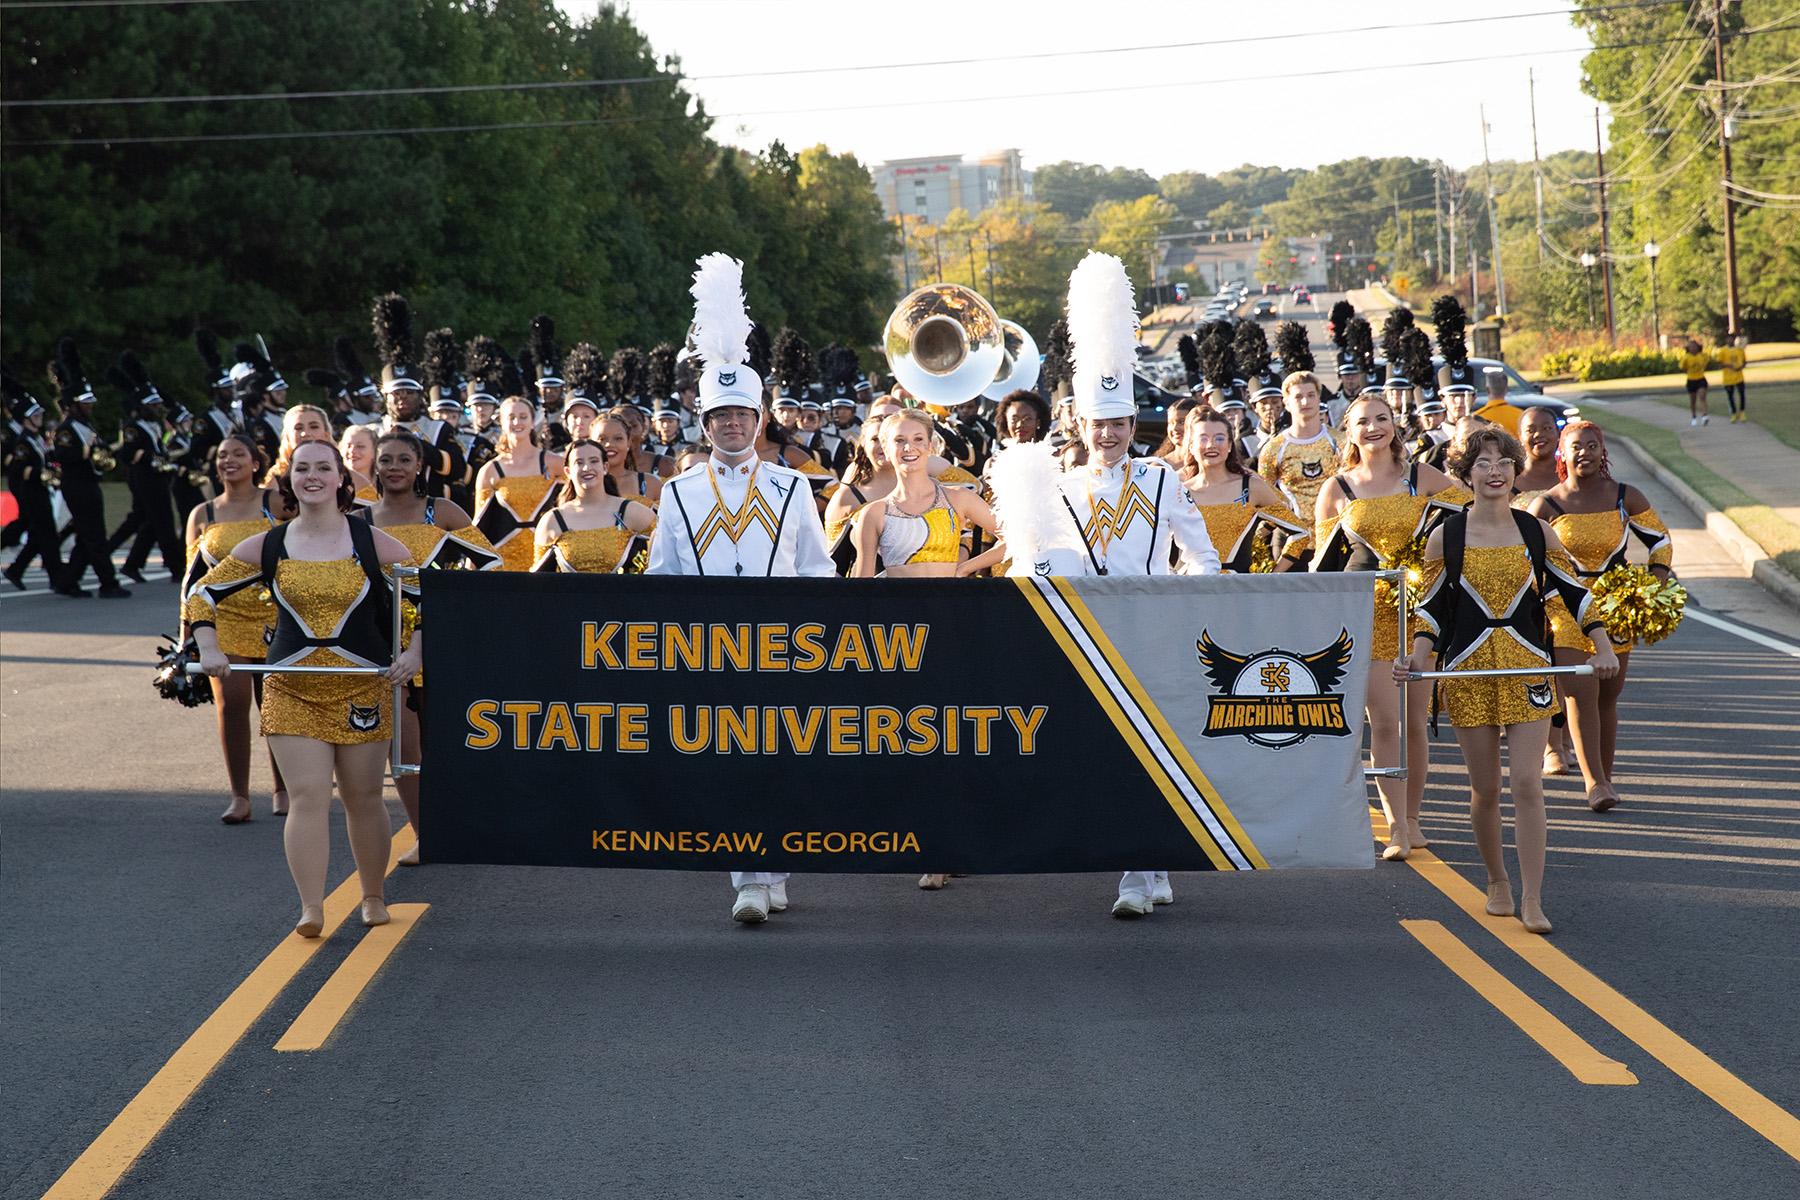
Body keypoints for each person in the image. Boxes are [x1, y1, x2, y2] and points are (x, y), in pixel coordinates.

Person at [647, 253, 835, 925]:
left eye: (741, 415)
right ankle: (747, 876)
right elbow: (662, 576)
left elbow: (818, 569)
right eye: (720, 415)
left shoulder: (792, 487)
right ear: (704, 423)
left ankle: (772, 866)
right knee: (727, 761)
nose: (731, 425)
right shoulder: (678, 492)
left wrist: (809, 631)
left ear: (759, 420)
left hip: (781, 644)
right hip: (706, 646)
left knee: (778, 761)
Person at [189, 440, 421, 937]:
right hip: (291, 687)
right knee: (308, 795)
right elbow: (202, 594)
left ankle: (373, 894)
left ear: (342, 479)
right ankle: (311, 907)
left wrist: (414, 653)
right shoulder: (267, 545)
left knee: (362, 796)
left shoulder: (373, 542)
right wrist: (209, 647)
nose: (312, 476)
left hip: (361, 686)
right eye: (302, 469)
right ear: (288, 478)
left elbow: (428, 599)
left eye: (323, 468)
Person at [1057, 252, 1220, 917]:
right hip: (1086, 632)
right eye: (1100, 424)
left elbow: (1203, 555)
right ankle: (1142, 867)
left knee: (1153, 747)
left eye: (1120, 424)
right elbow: (1041, 559)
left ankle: (1142, 869)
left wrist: (1183, 601)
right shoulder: (1061, 486)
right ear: (1082, 426)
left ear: (1134, 425)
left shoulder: (1159, 480)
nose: (1110, 433)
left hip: (1151, 629)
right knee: (1107, 754)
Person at [1405, 425, 1618, 935]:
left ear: (1515, 469)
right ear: (1467, 474)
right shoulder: (1445, 537)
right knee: (1485, 790)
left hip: (1528, 668)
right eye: (1483, 463)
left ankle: (1533, 898)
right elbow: (1431, 611)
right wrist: (1417, 658)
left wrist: (1602, 644)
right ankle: (1497, 880)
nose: (1495, 472)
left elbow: (1574, 592)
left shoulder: (1535, 531)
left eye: (1503, 462)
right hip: (1469, 671)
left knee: (1527, 783)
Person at [1312, 392, 1470, 861]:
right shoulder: (1336, 489)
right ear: (1349, 430)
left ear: (1395, 424)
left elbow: (1472, 513)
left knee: (1416, 724)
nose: (1374, 428)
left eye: (1382, 418)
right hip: (1368, 618)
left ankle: (1414, 819)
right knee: (1384, 723)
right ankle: (1396, 825)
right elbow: (1326, 567)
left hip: (1420, 615)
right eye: (1363, 421)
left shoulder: (1421, 476)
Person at [362, 428, 500, 863]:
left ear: (420, 465)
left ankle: (464, 824)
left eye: (404, 459)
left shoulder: (440, 512)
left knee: (451, 741)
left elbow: (491, 562)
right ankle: (427, 835)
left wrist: (447, 594)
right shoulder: (359, 521)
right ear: (375, 467)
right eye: (387, 460)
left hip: (442, 640)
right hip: (386, 647)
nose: (395, 468)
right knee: (403, 749)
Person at [1526, 421, 1673, 812]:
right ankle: (1594, 783)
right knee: (1579, 691)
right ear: (1563, 452)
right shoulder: (1546, 505)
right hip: (1565, 609)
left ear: (1602, 451)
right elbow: (1528, 561)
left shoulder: (1626, 496)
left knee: (1608, 695)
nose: (1584, 453)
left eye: (1592, 446)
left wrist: (1652, 585)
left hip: (1615, 606)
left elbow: (1660, 541)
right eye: (1576, 446)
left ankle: (1605, 778)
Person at [180, 433, 285, 822]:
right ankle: (240, 796)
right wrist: (187, 633)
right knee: (233, 705)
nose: (229, 461)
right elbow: (191, 580)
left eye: (238, 454)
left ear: (256, 463)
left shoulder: (276, 503)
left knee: (277, 706)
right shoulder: (203, 512)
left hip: (277, 617)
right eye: (222, 455)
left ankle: (283, 788)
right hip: (223, 620)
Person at [49, 338, 129, 599]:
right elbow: (61, 454)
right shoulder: (66, 429)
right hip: (77, 485)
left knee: (87, 536)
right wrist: (87, 451)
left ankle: (67, 580)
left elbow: (98, 451)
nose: (91, 405)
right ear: (73, 404)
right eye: (85, 402)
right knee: (94, 536)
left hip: (90, 482)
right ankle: (108, 582)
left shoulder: (87, 426)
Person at [1180, 408, 1305, 573]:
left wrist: (1273, 577)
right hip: (1189, 589)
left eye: (1219, 438)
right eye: (1203, 438)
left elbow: (1301, 534)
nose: (1211, 445)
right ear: (1191, 446)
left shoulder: (1251, 487)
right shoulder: (1179, 492)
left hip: (1238, 590)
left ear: (1230, 445)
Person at [107, 354, 183, 583]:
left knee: (147, 521)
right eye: (153, 405)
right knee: (163, 522)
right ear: (142, 406)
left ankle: (131, 564)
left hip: (157, 477)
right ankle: (176, 567)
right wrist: (149, 457)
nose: (158, 408)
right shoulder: (133, 427)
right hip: (145, 478)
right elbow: (128, 454)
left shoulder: (153, 425)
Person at [533, 438, 657, 573]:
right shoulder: (552, 520)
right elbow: (538, 581)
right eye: (579, 463)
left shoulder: (630, 511)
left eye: (594, 461)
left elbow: (666, 545)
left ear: (605, 467)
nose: (587, 468)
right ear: (568, 472)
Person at [1257, 370, 1340, 568]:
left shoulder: (1340, 441)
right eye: (1298, 397)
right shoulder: (1273, 449)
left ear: (1319, 398)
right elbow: (1264, 498)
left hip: (1334, 539)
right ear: (1286, 402)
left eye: (1311, 395)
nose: (1305, 402)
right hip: (1289, 543)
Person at [473, 396, 565, 572]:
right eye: (511, 417)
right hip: (504, 562)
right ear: (501, 422)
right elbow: (480, 526)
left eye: (523, 417)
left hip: (544, 557)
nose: (517, 422)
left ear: (532, 422)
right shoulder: (489, 471)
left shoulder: (553, 462)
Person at [2, 374, 65, 592]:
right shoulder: (22, 441)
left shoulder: (36, 438)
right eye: (35, 414)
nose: (39, 417)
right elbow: (18, 468)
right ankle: (57, 578)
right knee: (45, 533)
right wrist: (41, 474)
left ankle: (17, 569)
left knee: (41, 533)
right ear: (26, 419)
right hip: (31, 491)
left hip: (40, 490)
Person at [598, 409, 664, 505]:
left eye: (618, 438)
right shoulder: (577, 485)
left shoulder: (652, 484)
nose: (609, 444)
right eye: (602, 439)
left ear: (628, 442)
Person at [339, 423, 380, 505]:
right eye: (348, 445)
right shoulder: (333, 484)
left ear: (375, 451)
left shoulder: (385, 485)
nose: (352, 451)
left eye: (360, 446)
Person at [1678, 338, 1710, 427]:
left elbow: (1706, 363)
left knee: (1702, 397)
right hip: (1691, 380)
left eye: (1694, 346)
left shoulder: (1702, 356)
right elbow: (1682, 367)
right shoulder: (1686, 357)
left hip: (1701, 379)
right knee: (1693, 401)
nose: (1693, 348)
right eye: (1691, 347)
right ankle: (1694, 417)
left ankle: (1704, 415)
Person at [1718, 333, 1748, 423]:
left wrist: (1740, 367)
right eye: (1728, 339)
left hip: (1739, 377)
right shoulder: (1722, 351)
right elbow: (1719, 363)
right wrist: (1728, 365)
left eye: (1731, 339)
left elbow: (1744, 361)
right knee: (1730, 396)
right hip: (1728, 378)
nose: (1730, 340)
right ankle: (1733, 413)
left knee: (1741, 395)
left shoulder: (1739, 350)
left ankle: (1742, 412)